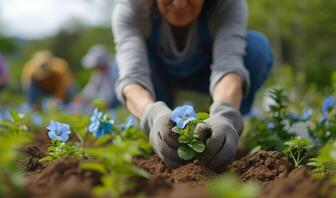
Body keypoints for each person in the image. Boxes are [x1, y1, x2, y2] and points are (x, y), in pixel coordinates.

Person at [112, 0, 274, 172]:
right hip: (158, 76)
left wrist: (225, 113)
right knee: (120, 67)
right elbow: (133, 78)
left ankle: (224, 135)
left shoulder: (227, 4)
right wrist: (152, 114)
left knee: (257, 49)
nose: (180, 4)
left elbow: (229, 67)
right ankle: (163, 133)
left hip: (208, 72)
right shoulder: (132, 7)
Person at [74, 45, 119, 110]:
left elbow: (112, 92)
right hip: (107, 102)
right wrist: (82, 96)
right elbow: (91, 88)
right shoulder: (98, 73)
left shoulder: (114, 69)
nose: (94, 67)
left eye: (96, 65)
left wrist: (103, 102)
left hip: (118, 101)